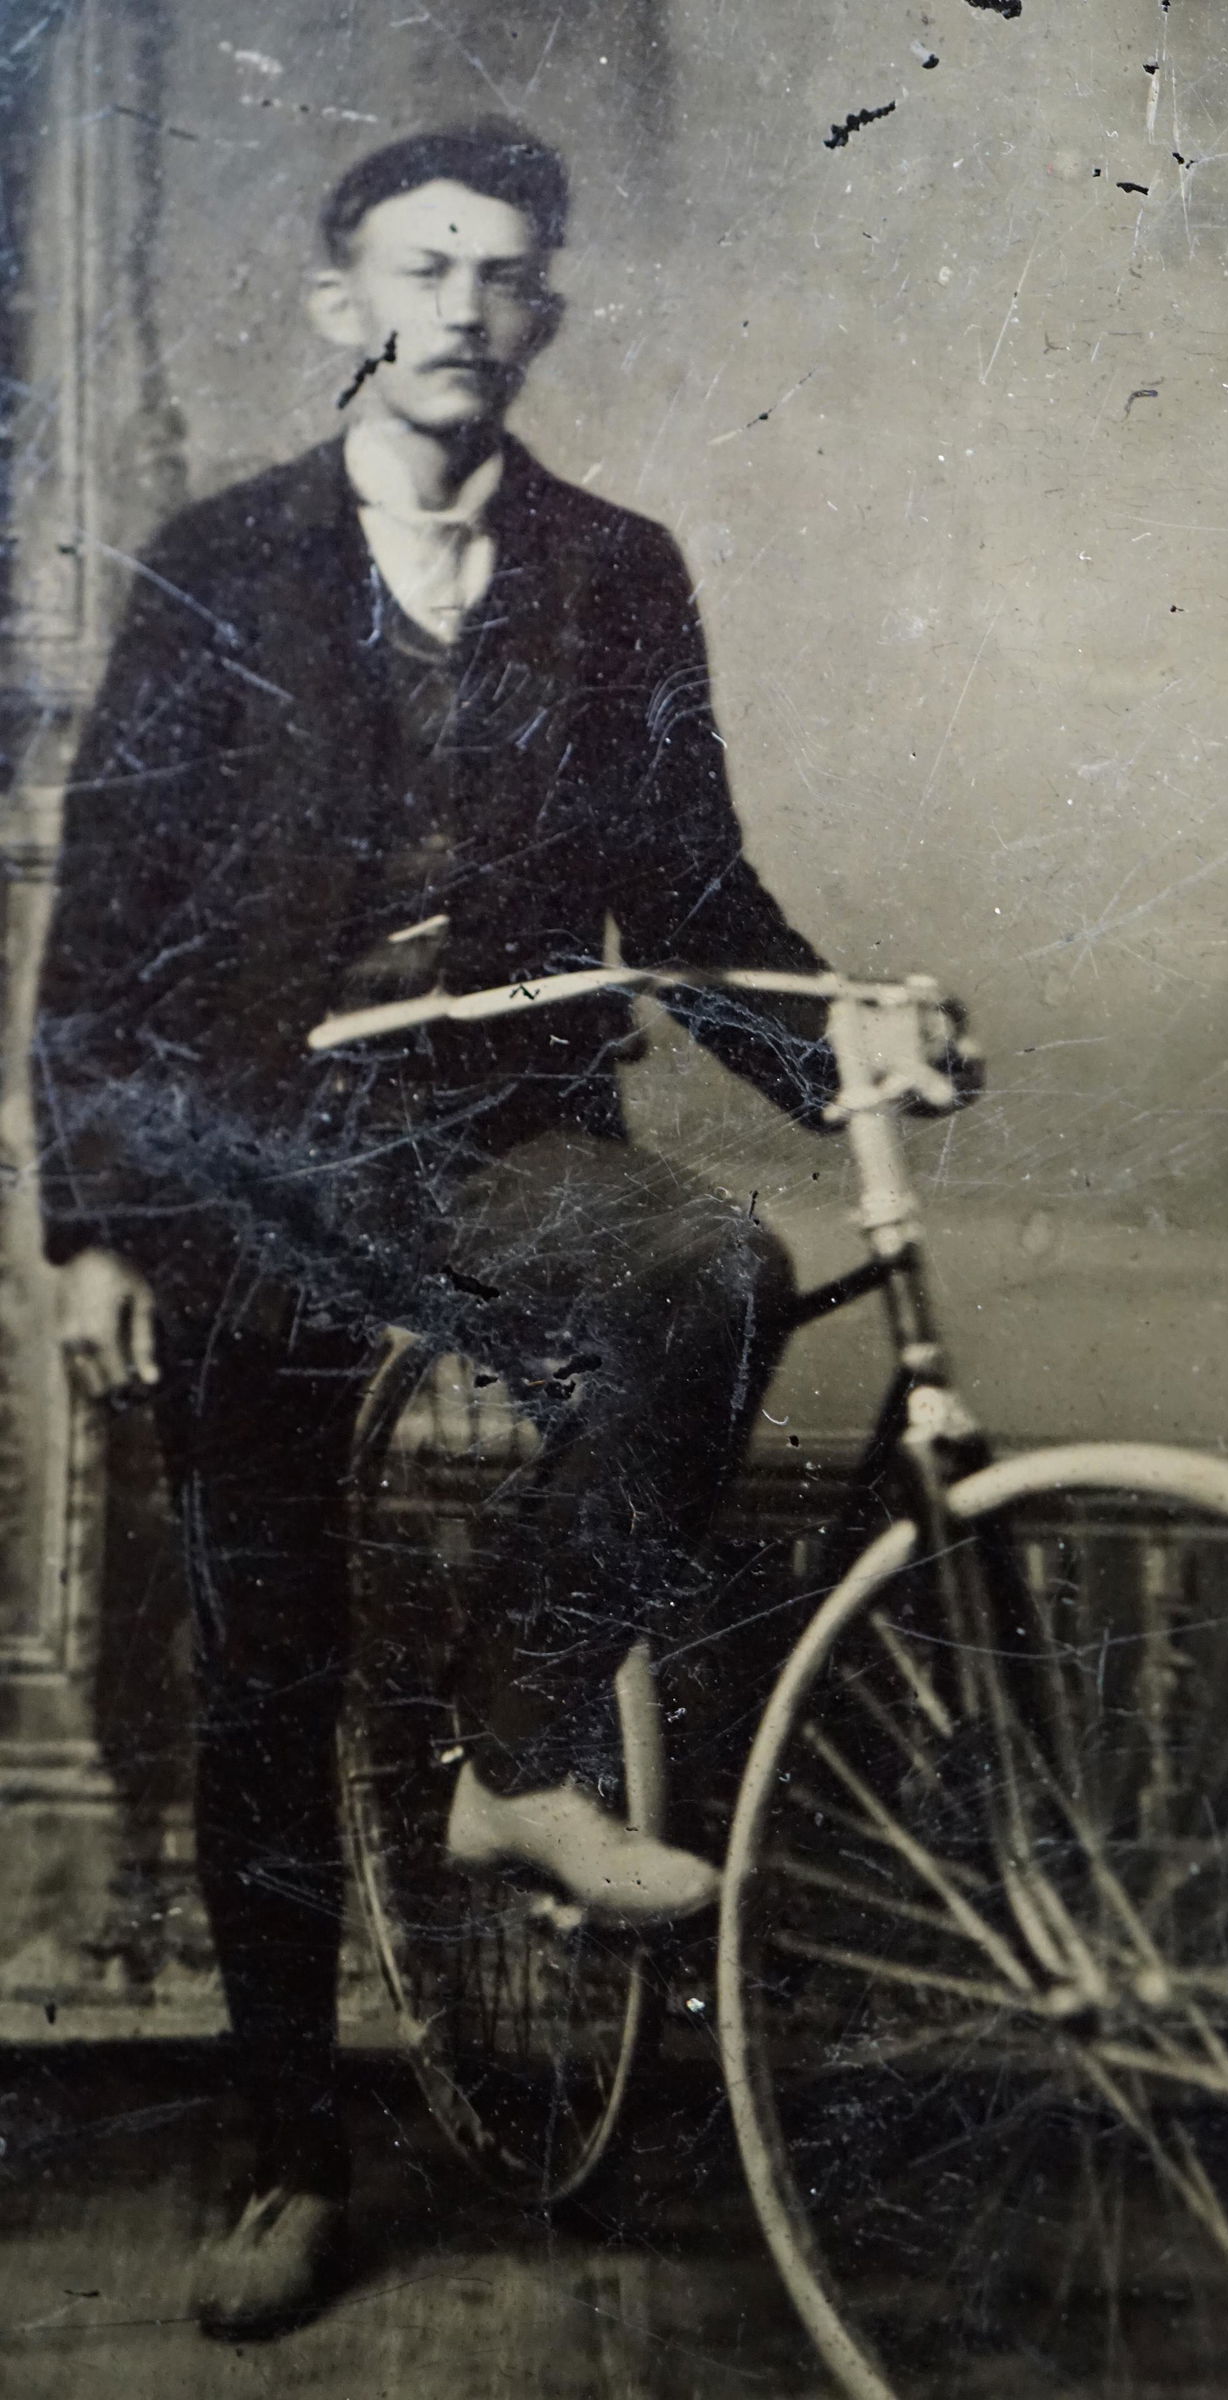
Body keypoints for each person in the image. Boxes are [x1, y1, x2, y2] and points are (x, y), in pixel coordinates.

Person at [31, 120, 835, 2337]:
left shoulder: (618, 569)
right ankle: (285, 2158)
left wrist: (835, 1037)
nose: (464, 307)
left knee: (711, 1268)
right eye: (423, 265)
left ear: (544, 312)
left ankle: (513, 1753)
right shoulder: (224, 559)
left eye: (506, 273)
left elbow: (687, 900)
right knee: (267, 1668)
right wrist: (90, 1224)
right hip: (247, 1170)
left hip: (494, 1147)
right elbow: (99, 922)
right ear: (345, 304)